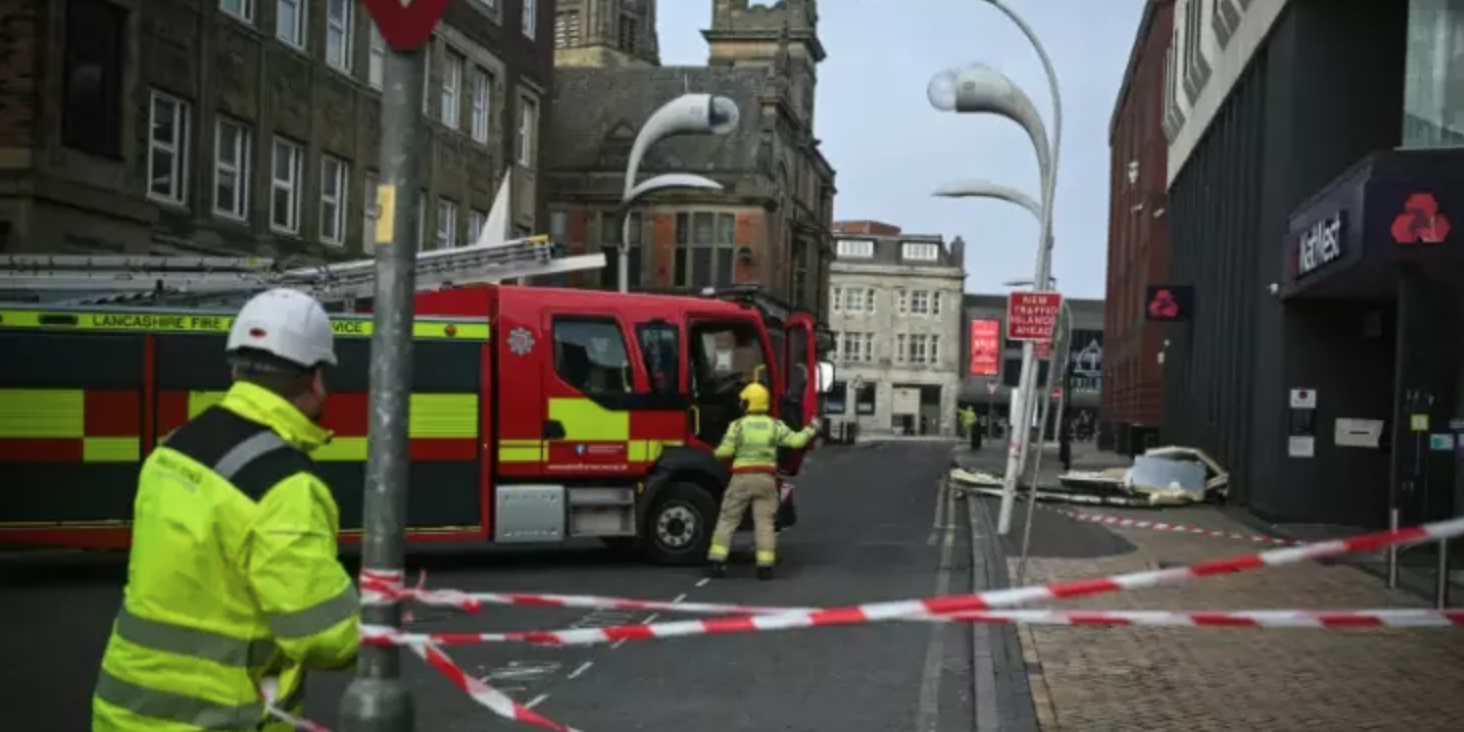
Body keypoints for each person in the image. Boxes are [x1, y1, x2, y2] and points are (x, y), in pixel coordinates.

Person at [92, 289, 360, 732]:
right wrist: (383, 621)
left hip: (121, 713)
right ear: (315, 381)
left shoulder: (173, 448)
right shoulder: (286, 486)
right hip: (217, 720)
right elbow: (325, 637)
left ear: (235, 368)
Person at [705, 383, 819, 581]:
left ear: (747, 403)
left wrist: (714, 453)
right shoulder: (775, 425)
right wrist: (811, 429)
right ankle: (765, 566)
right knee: (765, 523)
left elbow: (723, 452)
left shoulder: (738, 426)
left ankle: (717, 561)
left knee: (728, 519)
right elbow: (797, 441)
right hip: (766, 480)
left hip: (741, 479)